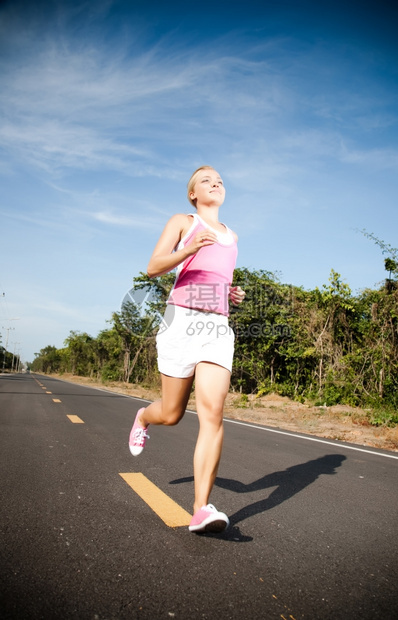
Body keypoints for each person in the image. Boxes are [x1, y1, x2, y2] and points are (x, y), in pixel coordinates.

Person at [128, 166, 245, 533]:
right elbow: (153, 267)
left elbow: (212, 279)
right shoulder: (184, 221)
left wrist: (229, 294)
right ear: (193, 193)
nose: (216, 183)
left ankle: (201, 509)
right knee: (172, 413)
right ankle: (145, 418)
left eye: (220, 180)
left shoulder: (232, 236)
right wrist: (190, 247)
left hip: (217, 329)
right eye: (207, 180)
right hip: (181, 321)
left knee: (212, 412)